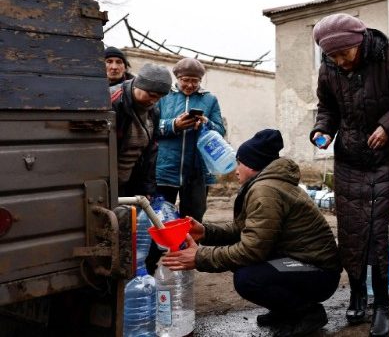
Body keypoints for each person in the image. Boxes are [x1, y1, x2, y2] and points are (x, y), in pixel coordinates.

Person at [161, 129, 341, 337]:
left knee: (248, 278)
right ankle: (285, 310)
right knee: (249, 268)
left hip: (318, 272)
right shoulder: (268, 184)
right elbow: (245, 229)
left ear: (254, 165)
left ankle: (306, 313)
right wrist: (206, 232)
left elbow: (251, 250)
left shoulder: (266, 191)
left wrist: (199, 257)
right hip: (306, 264)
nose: (236, 170)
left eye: (240, 163)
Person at [310, 13, 389, 337]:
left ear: (359, 43)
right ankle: (357, 292)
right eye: (332, 56)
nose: (339, 62)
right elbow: (326, 108)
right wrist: (322, 131)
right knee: (353, 228)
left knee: (383, 231)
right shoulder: (329, 69)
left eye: (344, 54)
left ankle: (383, 303)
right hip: (350, 160)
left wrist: (388, 125)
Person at [155, 58, 226, 222]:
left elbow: (220, 130)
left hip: (197, 170)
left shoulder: (210, 99)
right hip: (164, 167)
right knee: (160, 218)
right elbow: (150, 127)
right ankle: (159, 249)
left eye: (195, 81)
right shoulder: (164, 97)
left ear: (201, 81)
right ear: (177, 79)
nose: (190, 85)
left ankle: (190, 248)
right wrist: (174, 125)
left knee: (193, 218)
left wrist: (206, 123)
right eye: (185, 80)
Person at [110, 63, 173, 199]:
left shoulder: (153, 111)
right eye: (151, 95)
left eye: (159, 98)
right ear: (138, 85)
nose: (154, 101)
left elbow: (151, 151)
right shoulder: (112, 103)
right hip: (107, 182)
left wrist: (147, 188)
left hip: (131, 181)